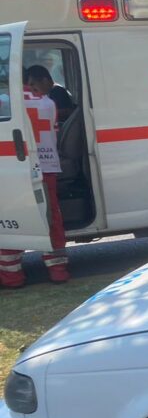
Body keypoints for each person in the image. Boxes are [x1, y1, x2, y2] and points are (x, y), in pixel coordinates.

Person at [0, 78, 70, 288]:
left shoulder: (5, 102)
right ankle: (58, 271)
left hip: (11, 168)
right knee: (50, 219)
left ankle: (12, 277)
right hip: (46, 167)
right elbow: (54, 130)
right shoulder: (47, 101)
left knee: (10, 220)